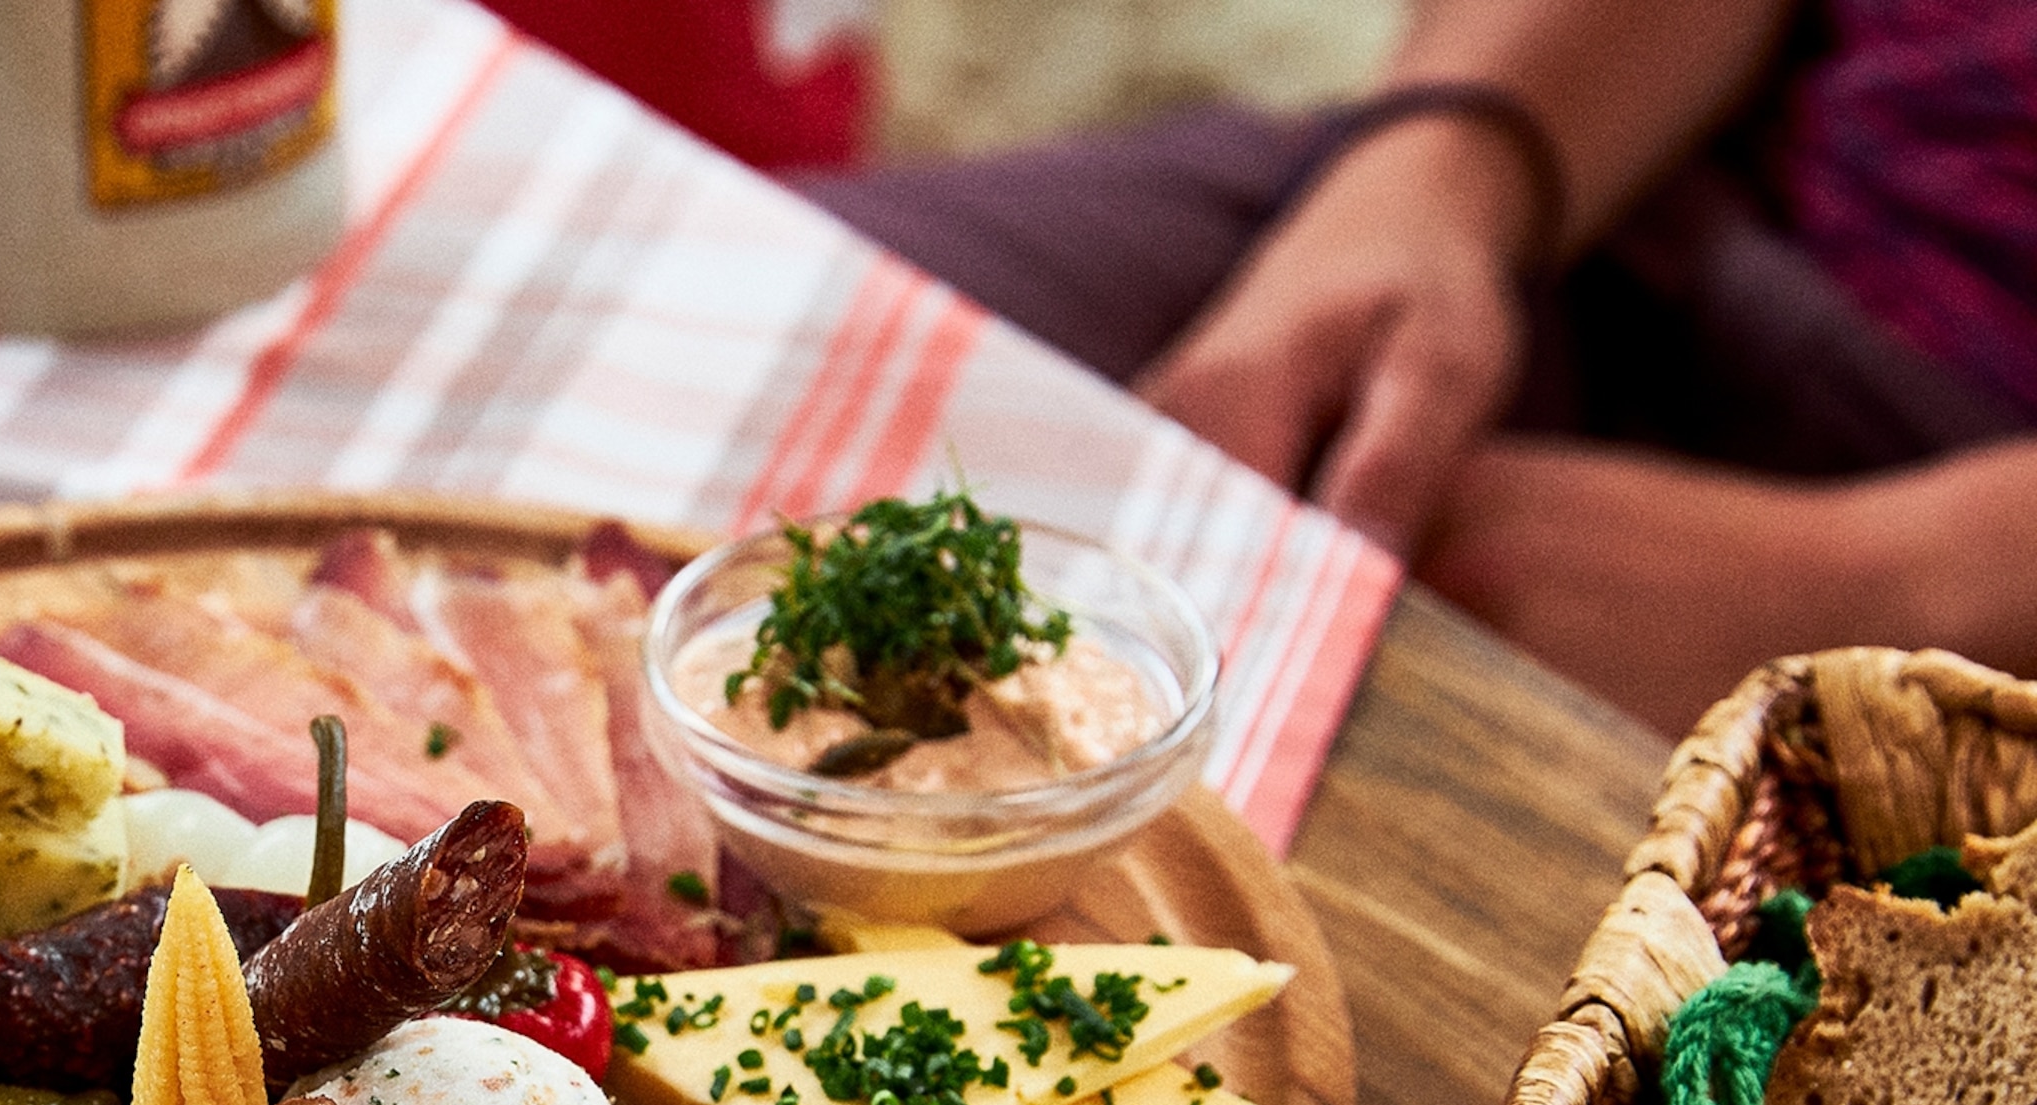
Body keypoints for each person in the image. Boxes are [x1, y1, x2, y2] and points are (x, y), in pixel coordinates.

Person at [802, 0, 2037, 735]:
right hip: (1619, 169)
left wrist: (1890, 583)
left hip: (1967, 541)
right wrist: (1446, 154)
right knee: (761, 354)